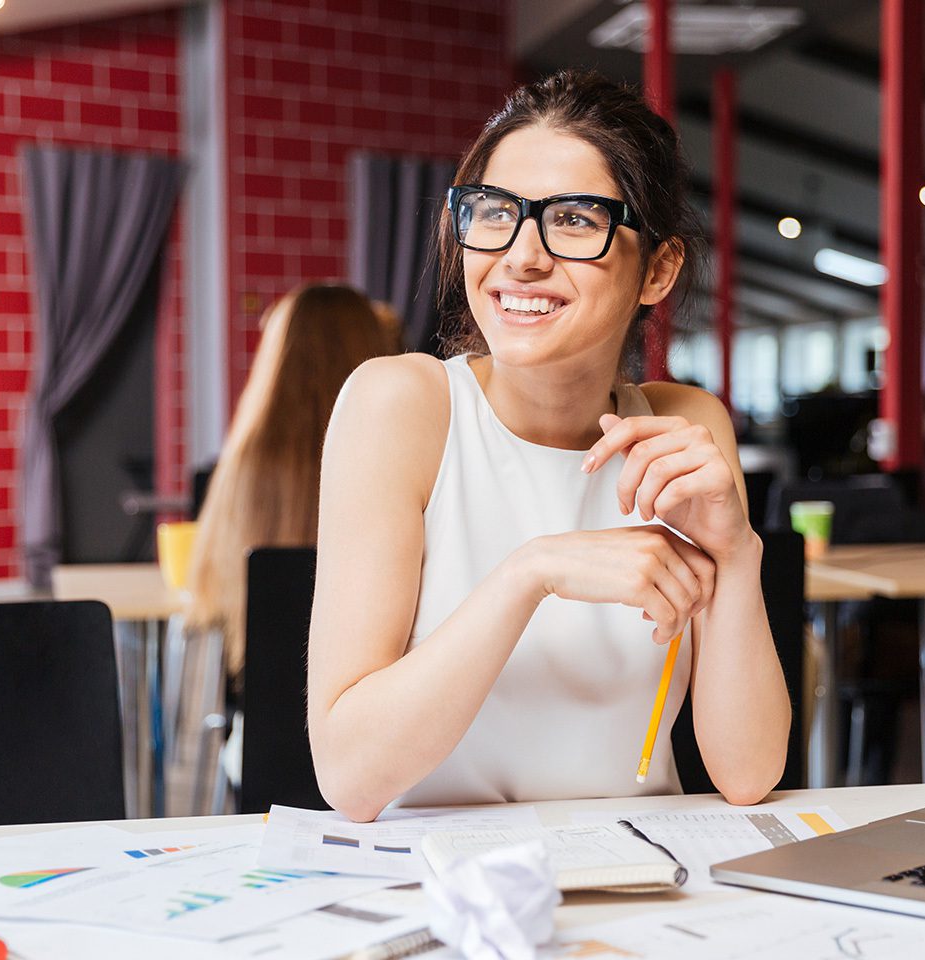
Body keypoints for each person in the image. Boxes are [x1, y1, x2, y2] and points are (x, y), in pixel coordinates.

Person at [307, 70, 791, 822]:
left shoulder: (684, 427)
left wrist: (737, 553)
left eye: (572, 219)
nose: (521, 256)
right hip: (439, 890)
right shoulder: (399, 405)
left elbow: (748, 773)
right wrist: (533, 571)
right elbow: (349, 776)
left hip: (642, 878)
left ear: (658, 269)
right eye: (495, 212)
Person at [186, 283, 394, 686]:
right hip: (375, 715)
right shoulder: (400, 459)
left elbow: (207, 598)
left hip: (258, 727)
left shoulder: (242, 465)